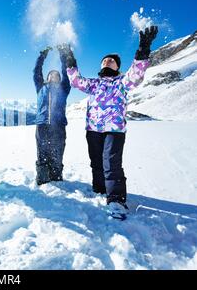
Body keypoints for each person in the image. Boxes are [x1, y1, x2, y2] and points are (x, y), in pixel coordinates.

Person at [63, 26, 158, 219]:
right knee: (96, 162)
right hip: (93, 129)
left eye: (112, 60)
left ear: (117, 67)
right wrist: (70, 60)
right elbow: (75, 81)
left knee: (111, 163)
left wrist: (143, 50)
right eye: (105, 60)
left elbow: (136, 74)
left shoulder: (122, 82)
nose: (108, 61)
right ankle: (100, 189)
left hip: (114, 130)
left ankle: (116, 200)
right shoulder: (94, 84)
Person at [33, 46, 71, 185]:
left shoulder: (64, 88)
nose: (54, 75)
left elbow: (67, 73)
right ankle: (42, 179)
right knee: (42, 152)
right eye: (51, 74)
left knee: (57, 151)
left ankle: (56, 178)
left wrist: (63, 54)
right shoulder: (41, 87)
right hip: (42, 124)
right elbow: (36, 71)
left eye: (57, 75)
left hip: (58, 125)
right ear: (47, 77)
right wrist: (42, 56)